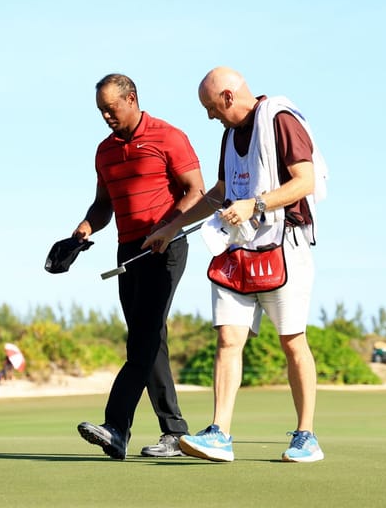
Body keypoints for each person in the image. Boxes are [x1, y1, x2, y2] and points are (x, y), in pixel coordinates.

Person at [143, 66, 327, 463]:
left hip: (285, 244)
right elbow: (220, 194)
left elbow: (305, 182)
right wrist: (172, 227)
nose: (210, 116)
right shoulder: (229, 135)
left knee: (292, 341)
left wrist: (255, 204)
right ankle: (219, 433)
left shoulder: (280, 119)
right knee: (228, 339)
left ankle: (306, 436)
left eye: (211, 107)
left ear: (227, 96)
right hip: (237, 250)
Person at [74, 73, 206, 460]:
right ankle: (175, 433)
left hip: (166, 246)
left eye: (110, 109)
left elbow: (196, 191)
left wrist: (168, 228)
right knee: (150, 339)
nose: (106, 117)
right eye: (100, 111)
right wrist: (84, 227)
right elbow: (103, 205)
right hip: (127, 251)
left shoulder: (168, 136)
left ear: (131, 99)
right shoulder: (105, 150)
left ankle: (116, 427)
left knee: (143, 339)